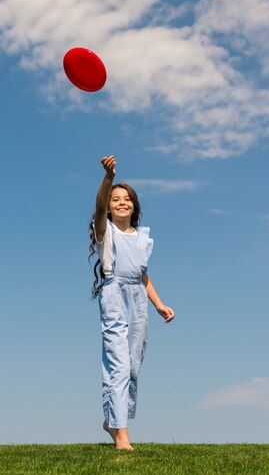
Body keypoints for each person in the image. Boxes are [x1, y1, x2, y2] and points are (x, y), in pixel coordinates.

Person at [89, 154, 175, 450]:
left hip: (137, 302)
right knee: (119, 365)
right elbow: (99, 206)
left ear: (134, 206)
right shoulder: (106, 231)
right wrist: (108, 178)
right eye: (116, 199)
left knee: (133, 367)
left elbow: (143, 276)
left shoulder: (142, 238)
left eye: (127, 199)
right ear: (110, 208)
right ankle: (122, 437)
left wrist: (159, 304)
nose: (121, 202)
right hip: (114, 296)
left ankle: (113, 422)